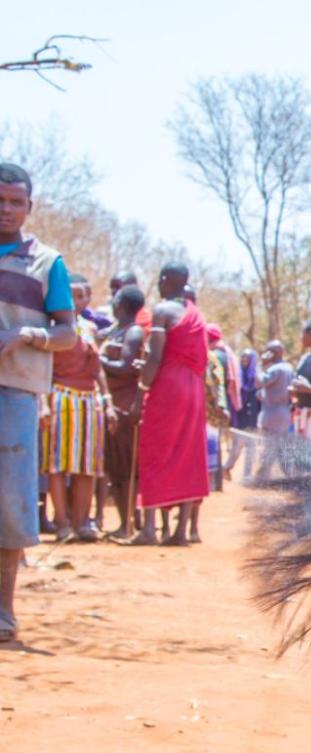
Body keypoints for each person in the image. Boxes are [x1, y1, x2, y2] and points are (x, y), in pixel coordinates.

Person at [0, 162, 80, 641]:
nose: (6, 209)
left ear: (29, 207)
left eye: (15, 202)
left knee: (10, 502)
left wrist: (24, 334)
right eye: (0, 200)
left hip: (16, 393)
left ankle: (4, 611)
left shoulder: (47, 262)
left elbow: (67, 332)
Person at [131, 262, 212, 548]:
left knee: (154, 449)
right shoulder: (197, 314)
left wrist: (142, 390)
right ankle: (180, 532)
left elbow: (155, 357)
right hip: (193, 388)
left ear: (165, 280)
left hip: (169, 386)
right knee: (189, 453)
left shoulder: (163, 310)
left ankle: (150, 528)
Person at [40, 304, 104, 542]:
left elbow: (98, 371)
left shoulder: (90, 329)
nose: (80, 300)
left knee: (87, 465)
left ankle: (82, 523)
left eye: (85, 295)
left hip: (87, 401)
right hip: (58, 399)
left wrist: (104, 399)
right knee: (57, 465)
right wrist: (43, 403)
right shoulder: (52, 330)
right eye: (75, 295)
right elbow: (43, 368)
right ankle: (62, 523)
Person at [97, 285, 147, 539]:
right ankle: (121, 522)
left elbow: (126, 367)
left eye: (115, 300)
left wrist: (98, 360)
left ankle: (127, 523)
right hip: (110, 405)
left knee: (126, 466)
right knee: (114, 466)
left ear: (122, 304)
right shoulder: (114, 331)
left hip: (125, 407)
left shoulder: (134, 332)